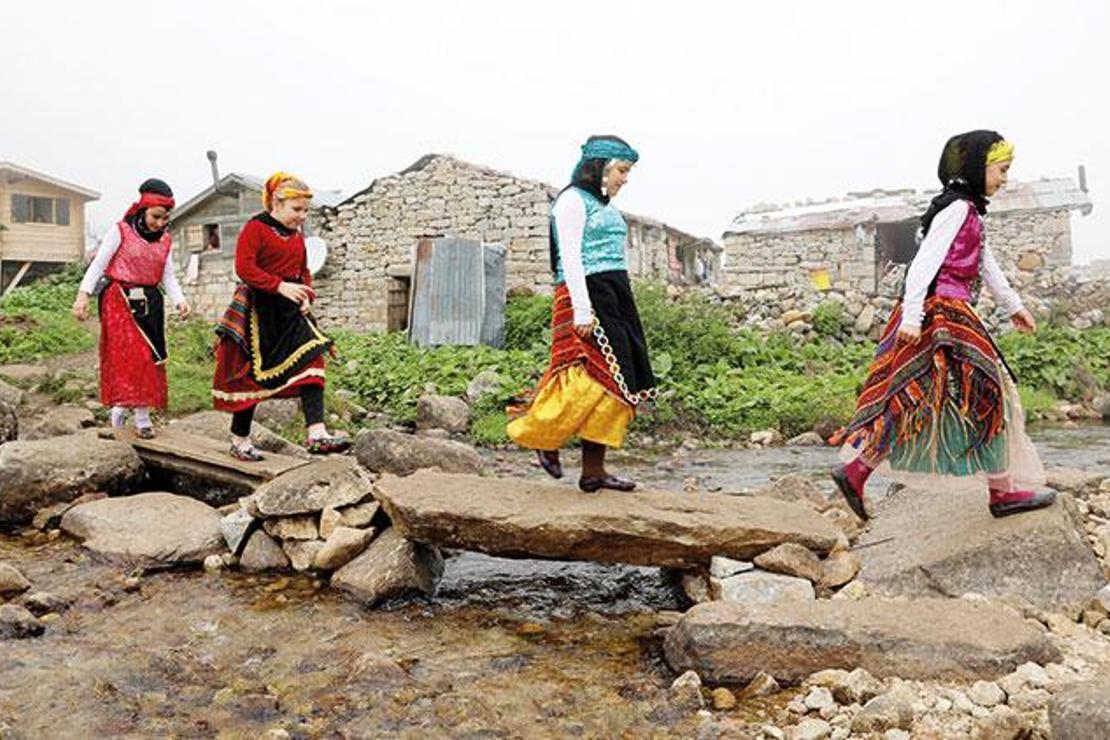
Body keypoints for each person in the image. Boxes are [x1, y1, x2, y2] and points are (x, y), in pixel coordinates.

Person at [830, 131, 1056, 520]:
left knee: (917, 396)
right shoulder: (956, 210)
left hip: (945, 311)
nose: (1005, 178)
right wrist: (914, 316)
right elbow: (923, 264)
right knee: (988, 391)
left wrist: (1014, 306)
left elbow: (986, 265)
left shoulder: (966, 209)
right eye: (1001, 170)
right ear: (976, 167)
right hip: (941, 313)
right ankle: (1002, 493)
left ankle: (856, 471)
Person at [507, 135, 656, 493]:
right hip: (585, 294)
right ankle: (541, 435)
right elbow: (570, 258)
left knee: (617, 383)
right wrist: (583, 310)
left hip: (615, 294)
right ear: (601, 167)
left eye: (627, 171)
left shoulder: (602, 206)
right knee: (586, 377)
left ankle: (594, 471)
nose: (625, 178)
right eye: (622, 170)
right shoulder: (571, 201)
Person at [211, 171, 348, 460]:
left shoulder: (296, 236)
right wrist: (279, 286)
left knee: (314, 358)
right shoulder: (256, 228)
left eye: (306, 210)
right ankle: (240, 440)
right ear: (276, 202)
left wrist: (306, 295)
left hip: (289, 310)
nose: (302, 216)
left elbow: (304, 271)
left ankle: (316, 432)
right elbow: (244, 268)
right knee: (252, 377)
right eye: (297, 209)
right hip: (258, 311)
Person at [73, 178, 190, 438]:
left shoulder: (165, 240)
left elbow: (167, 275)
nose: (160, 223)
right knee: (129, 357)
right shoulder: (121, 231)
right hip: (120, 301)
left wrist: (179, 299)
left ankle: (123, 409)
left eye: (165, 218)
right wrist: (83, 296)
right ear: (142, 210)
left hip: (150, 302)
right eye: (156, 217)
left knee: (150, 357)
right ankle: (140, 416)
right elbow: (98, 265)